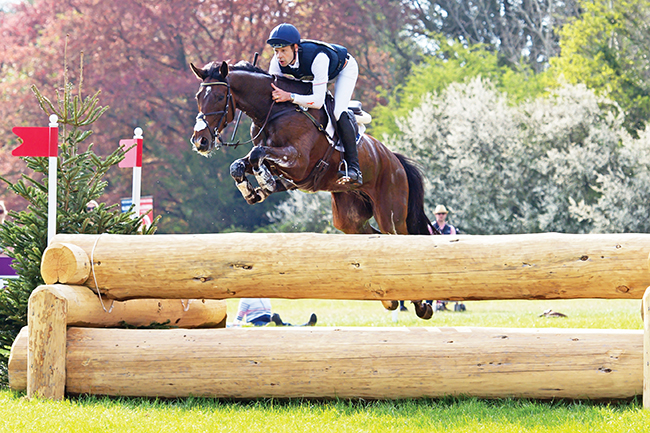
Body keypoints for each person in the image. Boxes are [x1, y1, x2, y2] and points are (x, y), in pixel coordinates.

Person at [266, 23, 362, 186]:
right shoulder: (277, 62)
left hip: (343, 69)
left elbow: (317, 101)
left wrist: (289, 96)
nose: (279, 56)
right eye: (276, 51)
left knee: (338, 111)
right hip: (311, 76)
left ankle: (353, 167)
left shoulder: (318, 57)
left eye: (283, 50)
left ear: (295, 47)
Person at [233, 298, 317, 327]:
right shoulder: (245, 299)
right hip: (255, 319)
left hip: (269, 317)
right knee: (261, 324)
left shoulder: (265, 297)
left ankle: (306, 324)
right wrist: (239, 323)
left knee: (284, 324)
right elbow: (239, 317)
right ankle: (271, 324)